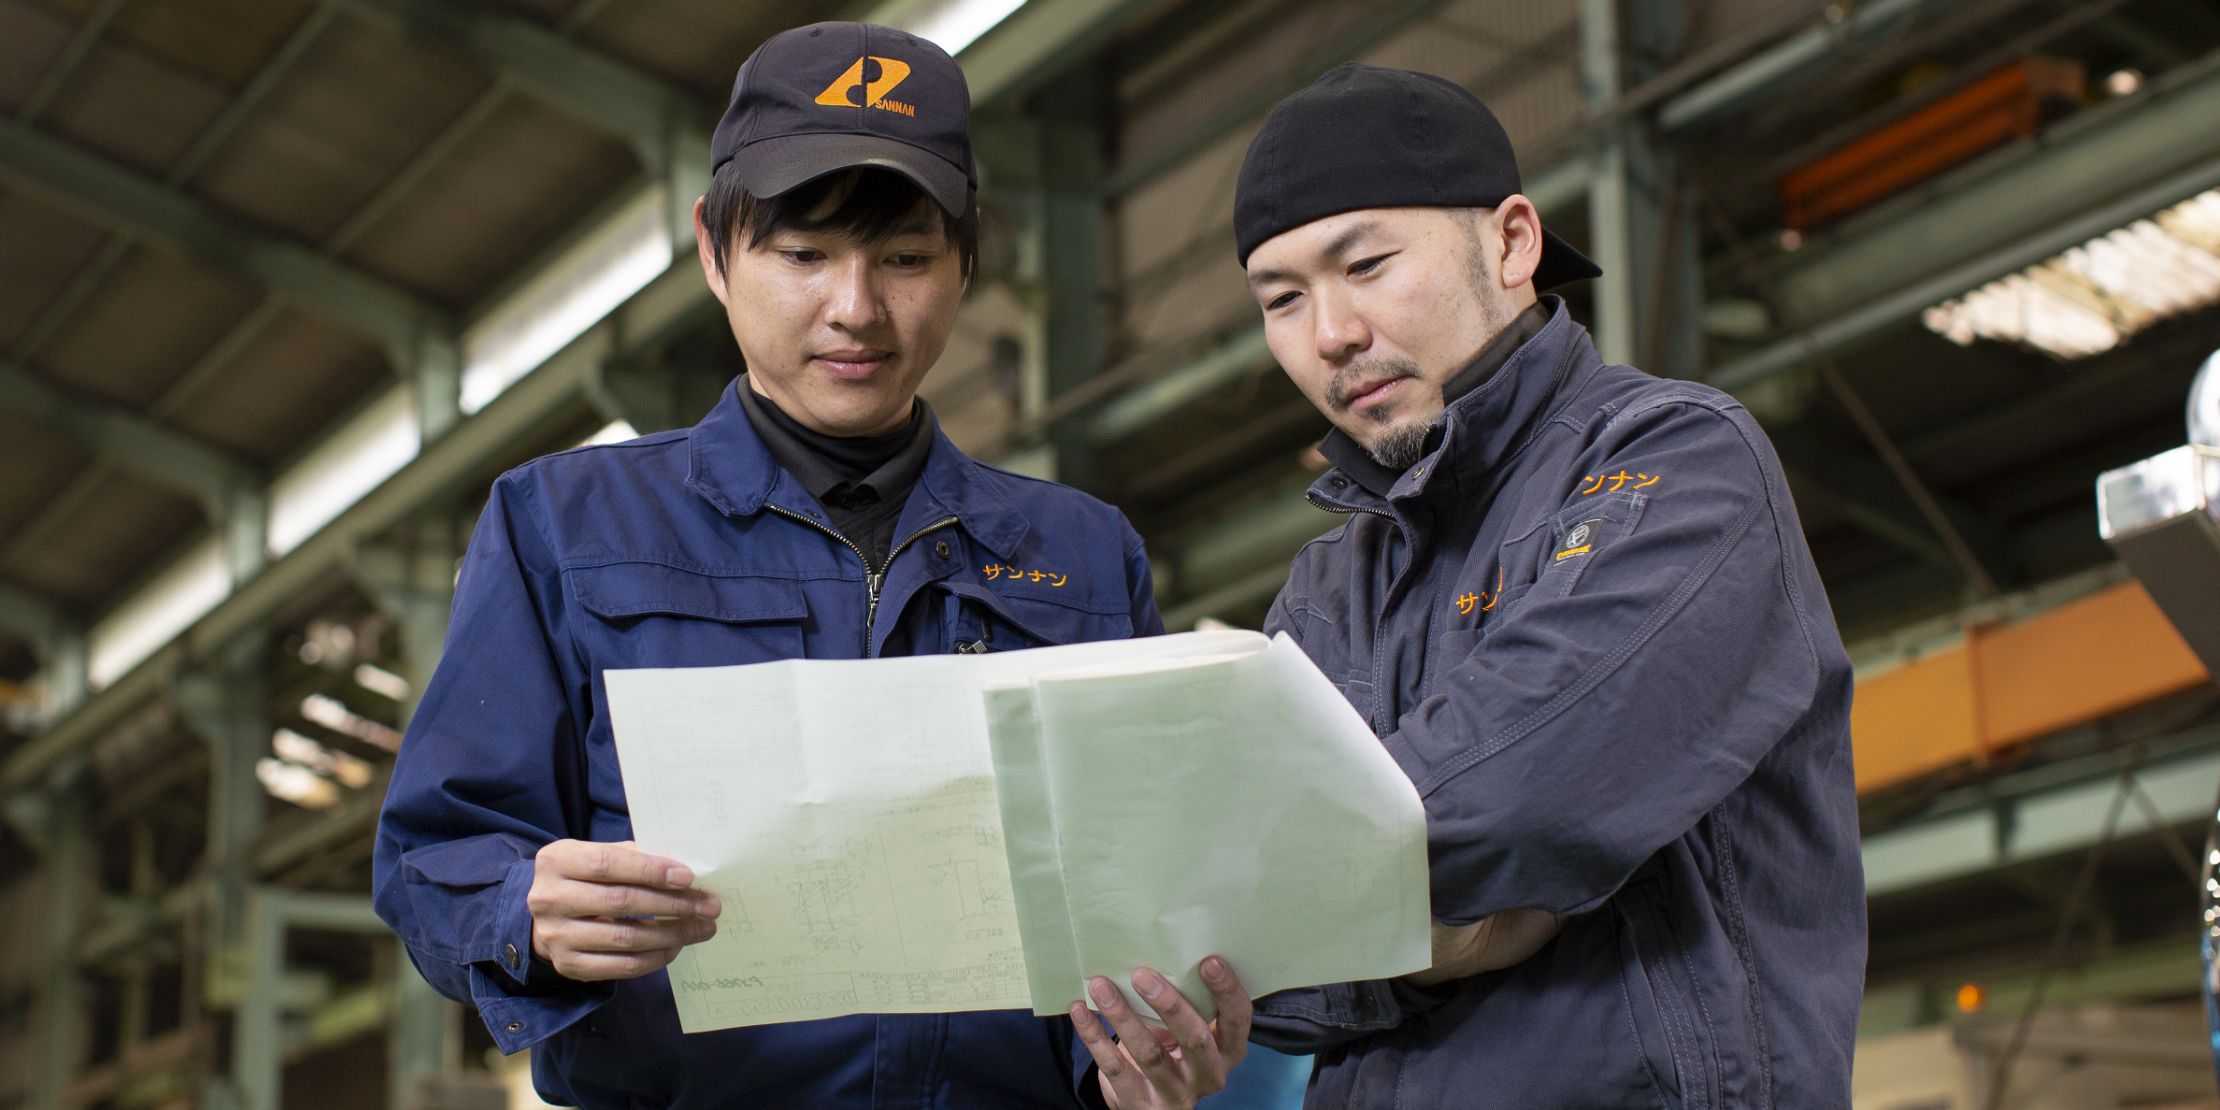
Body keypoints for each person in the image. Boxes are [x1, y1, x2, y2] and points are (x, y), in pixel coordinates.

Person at [372, 22, 1250, 1109]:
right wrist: (524, 914)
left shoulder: (1079, 554)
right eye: (802, 255)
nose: (857, 309)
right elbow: (434, 857)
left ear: (969, 259)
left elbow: (1130, 893)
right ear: (713, 251)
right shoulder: (562, 523)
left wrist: (1130, 1063)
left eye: (907, 258)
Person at [1233, 64, 1865, 1107]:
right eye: (1285, 299)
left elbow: (1509, 800)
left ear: (1514, 243)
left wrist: (1318, 913)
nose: (1332, 333)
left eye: (1370, 265)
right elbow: (1254, 972)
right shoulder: (1329, 587)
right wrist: (1456, 935)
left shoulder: (1679, 461)